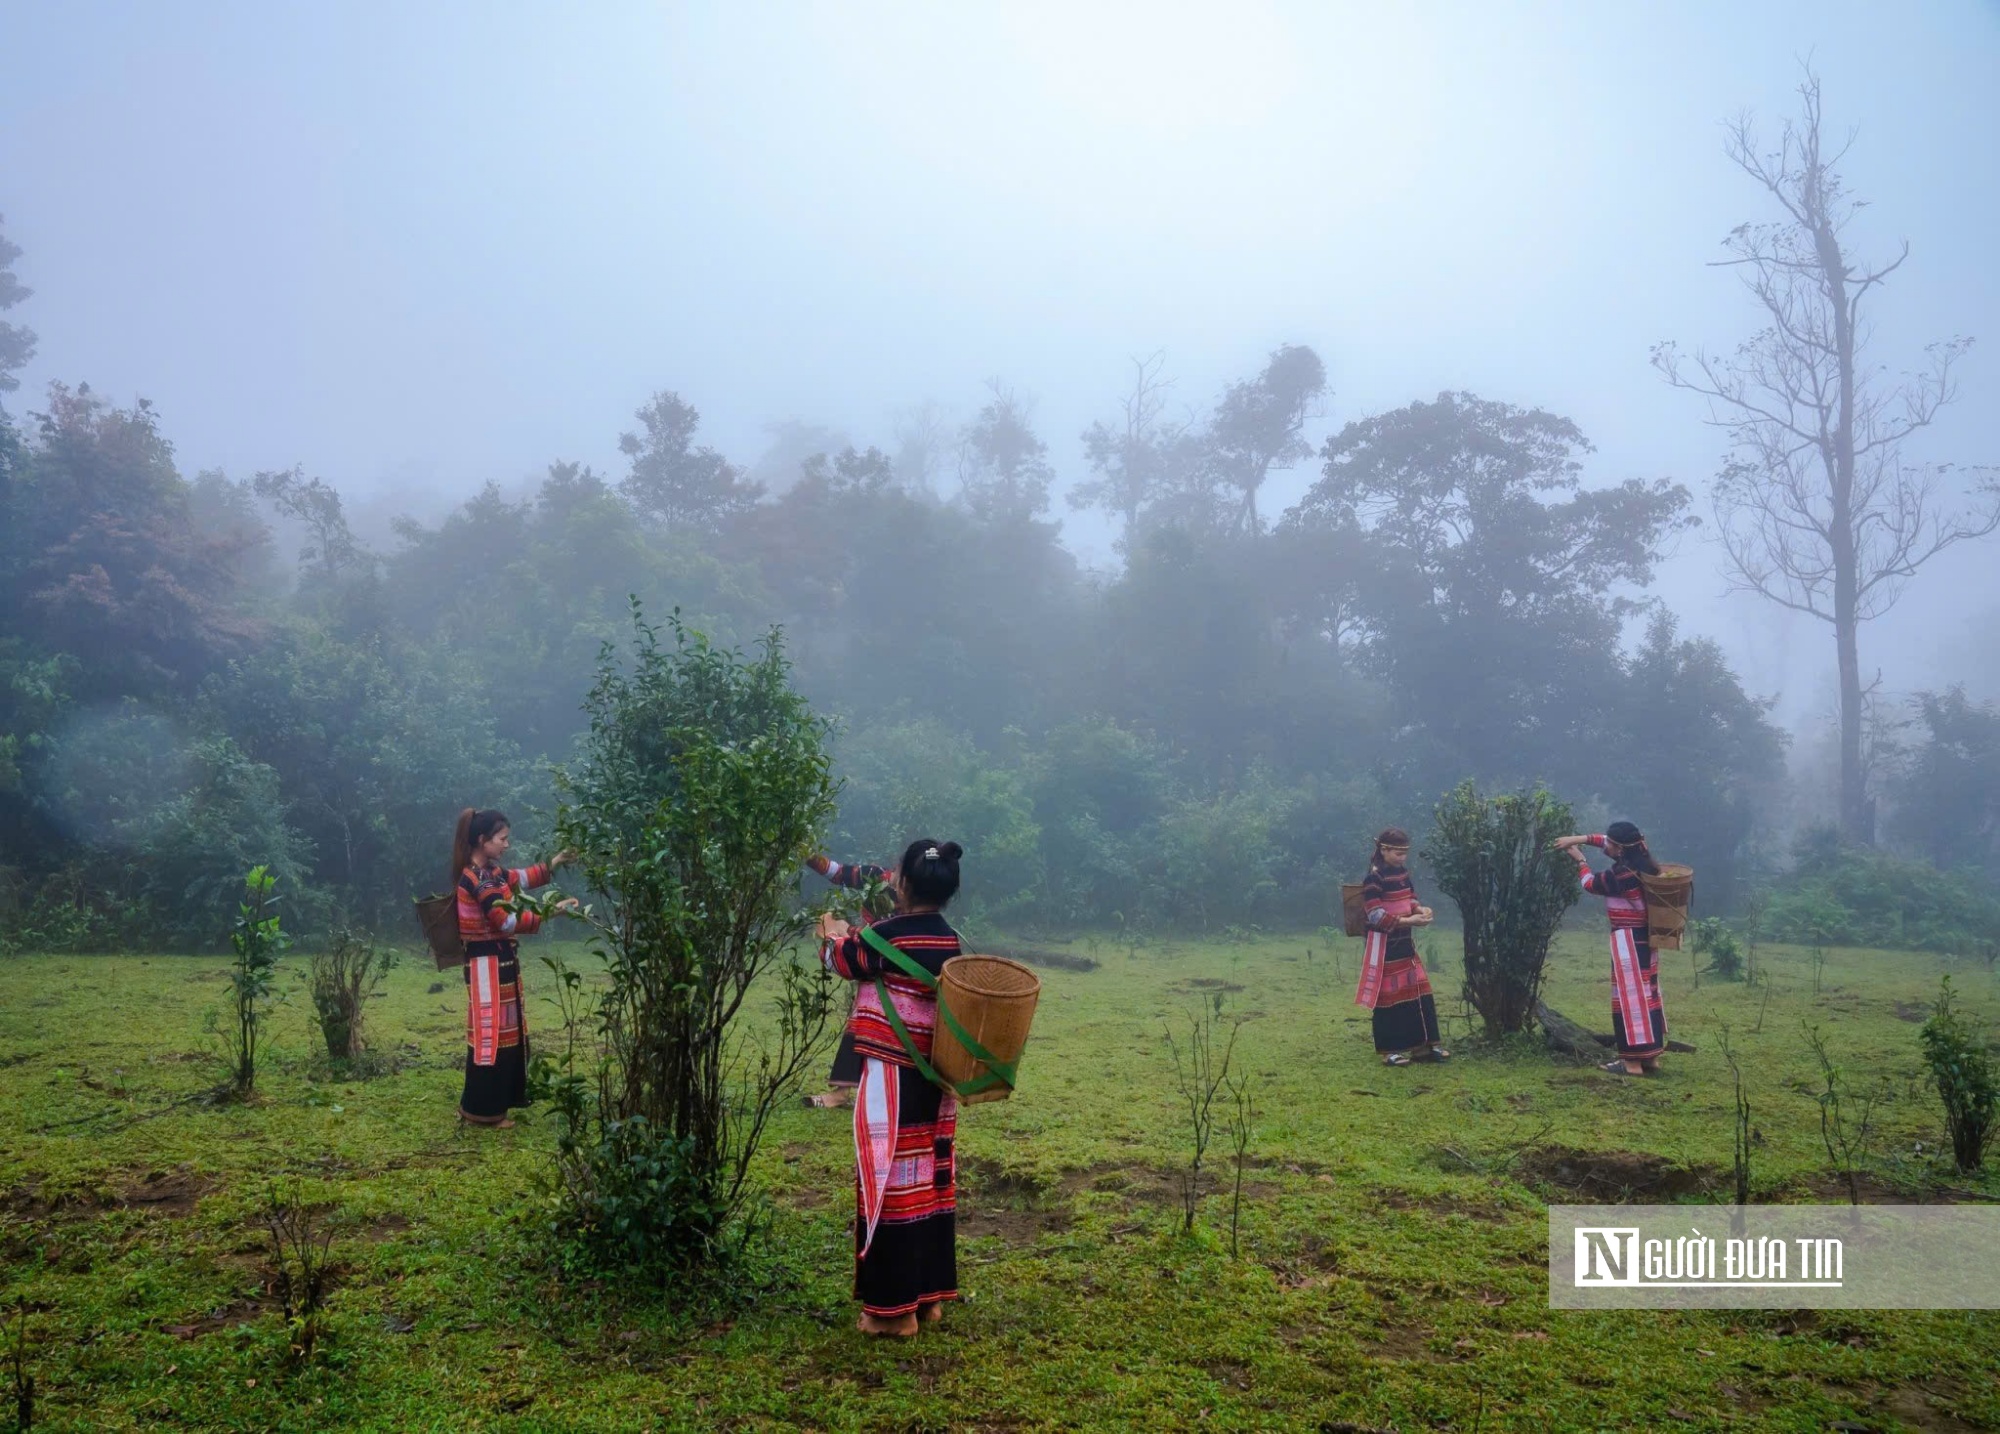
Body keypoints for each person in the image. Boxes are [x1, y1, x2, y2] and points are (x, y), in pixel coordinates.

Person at [820, 838, 965, 1337]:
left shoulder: (886, 937)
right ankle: (928, 1298)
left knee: (888, 1182)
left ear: (901, 881)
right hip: (935, 1081)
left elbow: (838, 960)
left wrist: (829, 933)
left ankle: (893, 1312)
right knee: (928, 1180)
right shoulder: (950, 940)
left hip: (891, 1079)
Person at [452, 807, 575, 1127]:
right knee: (489, 1038)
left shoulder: (491, 872)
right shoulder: (476, 879)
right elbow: (505, 920)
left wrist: (555, 862)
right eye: (502, 839)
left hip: (498, 964)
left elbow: (522, 877)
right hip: (486, 967)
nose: (507, 845)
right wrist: (553, 912)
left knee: (501, 1036)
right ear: (482, 840)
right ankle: (482, 1111)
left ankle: (490, 1107)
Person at [1556, 821, 1666, 1076]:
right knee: (1648, 996)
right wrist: (1577, 837)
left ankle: (1632, 1062)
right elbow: (1606, 839)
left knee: (1629, 999)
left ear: (1620, 849)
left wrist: (1580, 860)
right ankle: (1651, 1057)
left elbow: (1590, 884)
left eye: (1611, 844)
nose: (1606, 845)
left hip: (1628, 939)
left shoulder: (1621, 875)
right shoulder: (1644, 860)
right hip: (1647, 938)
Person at [803, 853, 902, 1110]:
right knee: (860, 1020)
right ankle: (843, 1092)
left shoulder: (916, 899)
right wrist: (808, 855)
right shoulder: (877, 877)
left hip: (898, 967)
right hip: (872, 961)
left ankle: (869, 1093)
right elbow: (839, 873)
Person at [1354, 827, 1449, 1066]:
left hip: (1405, 943)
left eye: (1404, 853)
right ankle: (1390, 1051)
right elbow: (1375, 915)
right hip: (1383, 947)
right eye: (1397, 853)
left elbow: (1410, 899)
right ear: (1384, 850)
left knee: (1419, 991)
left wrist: (1421, 910)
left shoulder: (1403, 873)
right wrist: (1409, 921)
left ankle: (1424, 1047)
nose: (1402, 858)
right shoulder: (1374, 878)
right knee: (1388, 998)